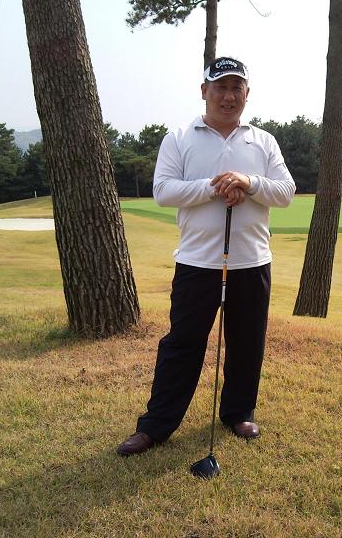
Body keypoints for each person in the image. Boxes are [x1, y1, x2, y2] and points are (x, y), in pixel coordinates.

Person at [117, 57, 296, 457]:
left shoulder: (263, 141)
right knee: (182, 344)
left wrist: (248, 182)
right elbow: (164, 190)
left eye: (236, 88)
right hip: (197, 262)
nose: (228, 96)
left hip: (251, 261)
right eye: (220, 88)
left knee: (247, 343)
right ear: (204, 91)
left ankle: (239, 412)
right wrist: (216, 187)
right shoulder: (179, 137)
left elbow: (285, 191)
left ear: (247, 94)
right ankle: (156, 425)